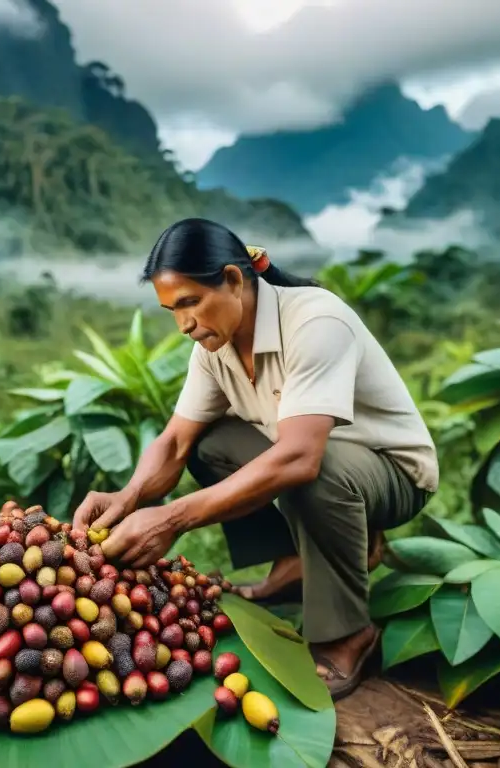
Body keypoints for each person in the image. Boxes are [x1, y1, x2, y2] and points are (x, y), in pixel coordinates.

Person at [71, 218, 438, 701]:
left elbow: (301, 458)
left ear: (233, 279)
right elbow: (177, 441)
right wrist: (130, 496)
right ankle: (294, 564)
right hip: (316, 461)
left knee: (313, 470)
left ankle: (349, 633)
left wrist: (172, 518)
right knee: (212, 443)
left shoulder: (315, 321)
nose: (184, 325)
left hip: (392, 473)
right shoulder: (214, 346)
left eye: (190, 303)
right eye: (171, 310)